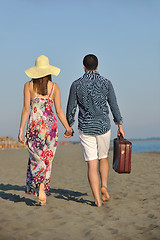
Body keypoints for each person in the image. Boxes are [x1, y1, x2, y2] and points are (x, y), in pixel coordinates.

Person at [66, 54, 125, 207]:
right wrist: (119, 124)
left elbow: (71, 107)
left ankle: (97, 200)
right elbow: (113, 105)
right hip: (103, 126)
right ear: (97, 66)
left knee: (92, 164)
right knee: (103, 158)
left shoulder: (76, 84)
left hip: (86, 127)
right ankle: (104, 186)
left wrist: (69, 125)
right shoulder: (106, 83)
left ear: (83, 67)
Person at [18, 55, 73, 205]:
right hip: (50, 128)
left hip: (35, 126)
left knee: (36, 158)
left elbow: (25, 109)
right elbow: (59, 110)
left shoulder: (28, 86)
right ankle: (42, 187)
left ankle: (39, 187)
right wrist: (68, 128)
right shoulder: (54, 87)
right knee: (47, 159)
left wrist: (21, 129)